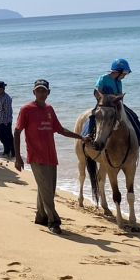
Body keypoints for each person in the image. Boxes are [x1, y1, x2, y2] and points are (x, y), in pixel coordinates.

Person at [14, 79, 87, 235]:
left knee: (47, 189)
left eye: (44, 91)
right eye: (38, 90)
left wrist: (81, 137)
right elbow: (17, 132)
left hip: (51, 156)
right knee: (47, 190)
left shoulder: (49, 109)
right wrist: (17, 156)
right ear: (34, 92)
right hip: (35, 157)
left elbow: (60, 129)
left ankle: (41, 216)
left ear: (48, 93)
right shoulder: (26, 109)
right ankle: (53, 221)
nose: (41, 93)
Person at [85, 59, 140, 147]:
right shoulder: (104, 78)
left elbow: (120, 94)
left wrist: (119, 101)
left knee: (133, 116)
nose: (124, 76)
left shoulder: (119, 82)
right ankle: (88, 134)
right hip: (104, 104)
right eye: (124, 74)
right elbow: (97, 91)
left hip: (116, 104)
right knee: (93, 115)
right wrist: (105, 98)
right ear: (118, 72)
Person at [0, 81, 14, 158]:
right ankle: (6, 150)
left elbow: (8, 112)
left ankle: (13, 152)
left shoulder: (7, 98)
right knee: (1, 137)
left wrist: (6, 122)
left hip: (6, 121)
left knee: (9, 137)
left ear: (3, 89)